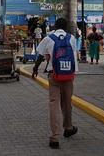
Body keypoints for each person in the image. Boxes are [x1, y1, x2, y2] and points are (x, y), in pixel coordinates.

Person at [31, 18, 78, 149]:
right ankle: (68, 128)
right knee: (67, 102)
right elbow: (74, 56)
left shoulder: (49, 38)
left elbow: (40, 55)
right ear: (66, 26)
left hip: (54, 75)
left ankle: (55, 137)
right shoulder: (72, 38)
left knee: (54, 104)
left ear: (55, 26)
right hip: (69, 75)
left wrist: (35, 69)